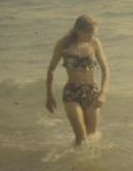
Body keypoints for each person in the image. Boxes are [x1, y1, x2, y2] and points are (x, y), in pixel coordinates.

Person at [46, 15, 110, 146]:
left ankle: (87, 165)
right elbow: (51, 70)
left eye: (94, 33)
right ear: (78, 31)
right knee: (81, 138)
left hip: (92, 91)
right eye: (89, 34)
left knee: (92, 136)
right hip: (72, 92)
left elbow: (106, 70)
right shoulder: (63, 44)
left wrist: (103, 94)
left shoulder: (94, 43)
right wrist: (49, 96)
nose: (92, 36)